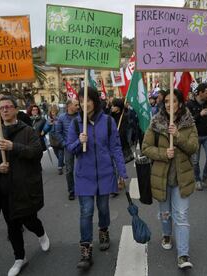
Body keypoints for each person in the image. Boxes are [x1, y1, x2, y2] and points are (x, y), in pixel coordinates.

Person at [0, 96, 50, 276]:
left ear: (15, 109)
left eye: (8, 107)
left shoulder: (28, 131)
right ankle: (19, 258)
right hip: (5, 189)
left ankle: (41, 232)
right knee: (12, 225)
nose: (4, 110)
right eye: (1, 108)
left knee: (30, 220)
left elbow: (36, 152)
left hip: (26, 186)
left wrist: (14, 147)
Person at [66, 87, 127, 270]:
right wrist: (79, 141)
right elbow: (69, 148)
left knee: (103, 208)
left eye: (88, 100)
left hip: (106, 174)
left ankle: (103, 230)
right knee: (86, 211)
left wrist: (122, 173)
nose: (84, 104)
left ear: (95, 101)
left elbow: (116, 148)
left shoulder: (108, 122)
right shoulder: (76, 125)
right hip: (84, 176)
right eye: (81, 101)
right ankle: (85, 249)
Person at [142, 89, 198, 269]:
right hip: (162, 178)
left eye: (173, 101)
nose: (169, 104)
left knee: (181, 216)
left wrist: (178, 136)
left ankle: (183, 254)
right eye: (166, 101)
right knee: (165, 213)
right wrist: (163, 153)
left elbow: (193, 148)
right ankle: (166, 233)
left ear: (180, 103)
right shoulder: (156, 123)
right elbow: (146, 147)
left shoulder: (189, 123)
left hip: (182, 178)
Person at [187, 83, 207, 190]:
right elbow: (187, 121)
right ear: (200, 93)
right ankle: (197, 180)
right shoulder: (190, 104)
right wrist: (199, 114)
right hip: (195, 136)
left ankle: (205, 178)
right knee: (195, 161)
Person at [55, 99, 80, 200]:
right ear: (69, 106)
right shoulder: (61, 118)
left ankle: (84, 187)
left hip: (80, 145)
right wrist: (64, 144)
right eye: (76, 105)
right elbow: (58, 132)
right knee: (69, 170)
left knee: (82, 168)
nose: (78, 106)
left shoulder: (81, 116)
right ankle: (71, 191)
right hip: (68, 147)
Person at [43, 104, 64, 174]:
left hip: (60, 138)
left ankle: (60, 167)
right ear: (50, 112)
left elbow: (63, 128)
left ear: (57, 111)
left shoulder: (60, 118)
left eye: (55, 111)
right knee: (56, 153)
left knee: (61, 153)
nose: (53, 113)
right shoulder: (49, 120)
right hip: (52, 139)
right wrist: (49, 124)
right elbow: (45, 129)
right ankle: (61, 162)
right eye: (52, 111)